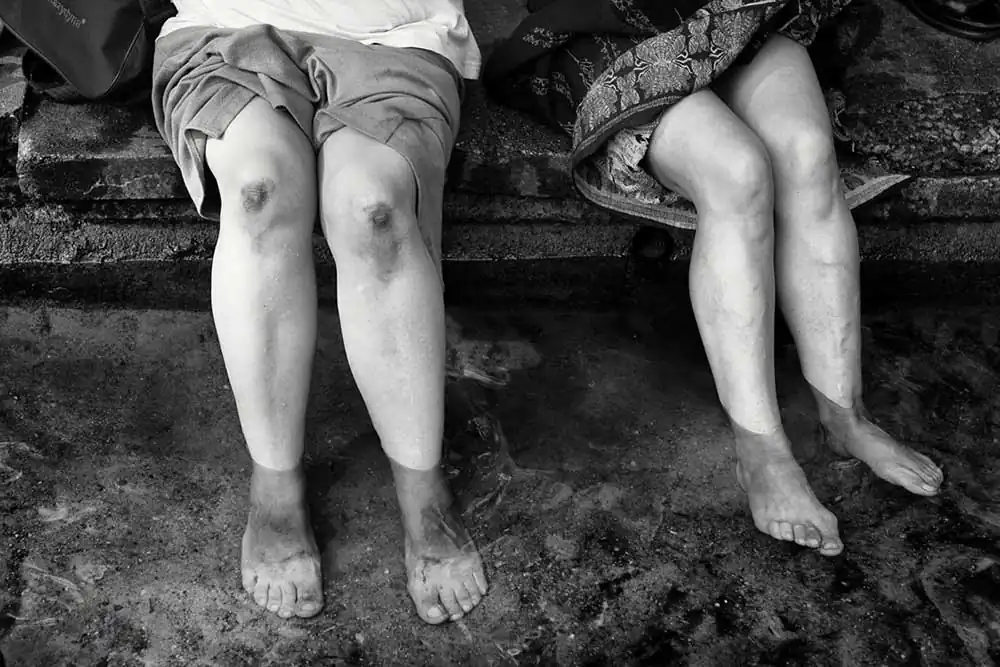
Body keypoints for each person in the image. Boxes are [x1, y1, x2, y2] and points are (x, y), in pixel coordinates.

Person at [484, 0, 944, 555]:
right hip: (607, 26)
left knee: (806, 154)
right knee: (736, 171)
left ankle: (845, 416)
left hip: (739, 13)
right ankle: (762, 451)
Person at [151, 0, 488, 622]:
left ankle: (423, 490)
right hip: (227, 28)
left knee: (375, 212)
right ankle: (275, 486)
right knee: (257, 192)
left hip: (394, 36)